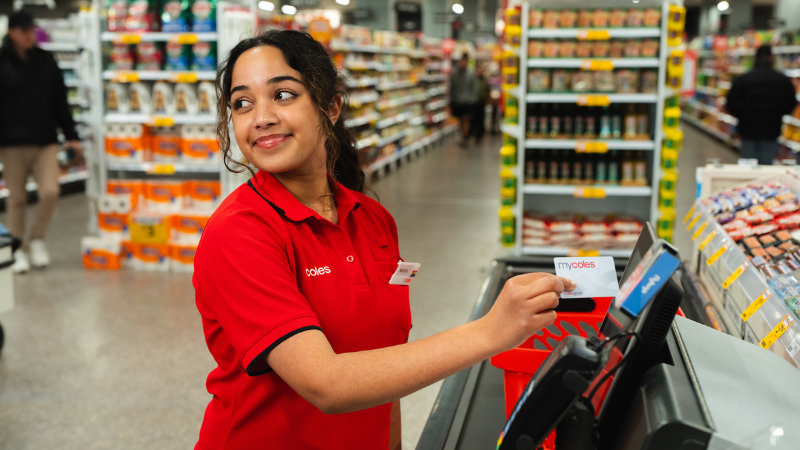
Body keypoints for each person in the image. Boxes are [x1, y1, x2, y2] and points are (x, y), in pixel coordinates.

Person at [193, 30, 573, 450]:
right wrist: (490, 332)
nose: (261, 116)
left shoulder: (372, 219)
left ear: (331, 106)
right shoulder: (239, 232)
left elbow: (386, 361)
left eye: (283, 94)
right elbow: (327, 384)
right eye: (242, 103)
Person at [0, 10, 82, 273]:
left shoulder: (46, 61)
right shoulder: (1, 61)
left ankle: (37, 239)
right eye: (24, 30)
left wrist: (71, 136)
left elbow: (60, 102)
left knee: (49, 192)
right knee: (17, 199)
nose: (29, 35)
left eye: (32, 30)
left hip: (45, 140)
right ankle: (17, 248)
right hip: (11, 144)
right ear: (11, 32)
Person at [726, 44, 798, 165]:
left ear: (755, 58)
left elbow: (730, 103)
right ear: (771, 57)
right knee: (766, 167)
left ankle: (748, 184)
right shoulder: (782, 79)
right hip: (771, 129)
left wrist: (742, 116)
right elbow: (791, 103)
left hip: (747, 129)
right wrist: (778, 114)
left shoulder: (743, 79)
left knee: (747, 166)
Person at [449, 53, 478, 148]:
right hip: (457, 101)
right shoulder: (454, 74)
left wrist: (472, 98)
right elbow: (452, 87)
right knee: (460, 120)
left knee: (466, 119)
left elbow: (474, 86)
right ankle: (463, 136)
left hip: (468, 101)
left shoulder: (471, 73)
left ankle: (465, 137)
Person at [471, 64, 490, 143]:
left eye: (481, 70)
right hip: (474, 102)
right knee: (474, 119)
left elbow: (487, 90)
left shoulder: (485, 80)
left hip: (481, 102)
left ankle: (480, 135)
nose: (479, 71)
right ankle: (474, 134)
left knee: (481, 119)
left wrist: (486, 98)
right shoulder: (473, 80)